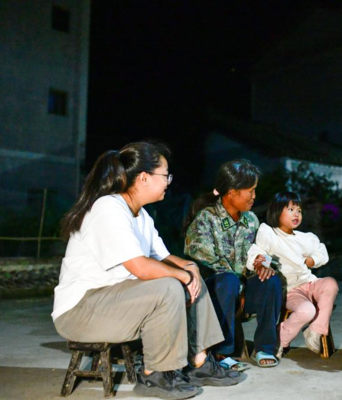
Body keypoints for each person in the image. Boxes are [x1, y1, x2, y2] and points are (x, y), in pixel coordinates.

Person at [52, 142, 244, 400]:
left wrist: (191, 268)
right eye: (165, 175)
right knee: (168, 285)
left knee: (192, 278)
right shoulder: (108, 208)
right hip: (81, 310)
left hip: (115, 302)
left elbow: (164, 257)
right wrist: (181, 275)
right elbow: (141, 267)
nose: (168, 182)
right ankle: (155, 374)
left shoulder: (141, 215)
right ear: (144, 178)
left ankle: (200, 362)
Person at [184, 160, 283, 368]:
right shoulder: (206, 219)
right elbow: (207, 261)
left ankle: (264, 348)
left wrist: (262, 264)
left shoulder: (252, 220)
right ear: (232, 192)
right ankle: (221, 353)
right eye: (251, 190)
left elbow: (265, 252)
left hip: (241, 291)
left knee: (270, 281)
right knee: (227, 281)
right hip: (214, 293)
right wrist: (240, 288)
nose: (254, 196)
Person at [247, 191, 338, 358]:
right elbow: (258, 252)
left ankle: (316, 330)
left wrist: (312, 260)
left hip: (310, 283)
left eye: (299, 210)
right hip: (291, 289)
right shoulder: (270, 234)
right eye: (290, 209)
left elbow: (322, 251)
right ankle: (280, 339)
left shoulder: (305, 238)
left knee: (331, 283)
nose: (296, 214)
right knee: (307, 310)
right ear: (276, 211)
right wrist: (260, 262)